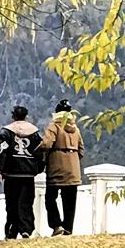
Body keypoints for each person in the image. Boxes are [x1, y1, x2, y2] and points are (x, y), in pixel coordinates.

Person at [38, 99, 84, 235]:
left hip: (56, 168)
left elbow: (46, 144)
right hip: (73, 170)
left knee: (50, 198)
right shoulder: (76, 129)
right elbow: (81, 150)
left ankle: (57, 225)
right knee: (70, 201)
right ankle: (68, 229)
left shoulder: (54, 126)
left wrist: (38, 153)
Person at [0, 105, 41, 239]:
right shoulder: (34, 133)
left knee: (12, 203)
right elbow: (40, 151)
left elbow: (1, 152)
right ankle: (26, 228)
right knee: (26, 202)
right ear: (26, 116)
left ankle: (11, 230)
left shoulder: (7, 132)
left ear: (13, 116)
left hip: (11, 173)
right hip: (27, 173)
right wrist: (38, 168)